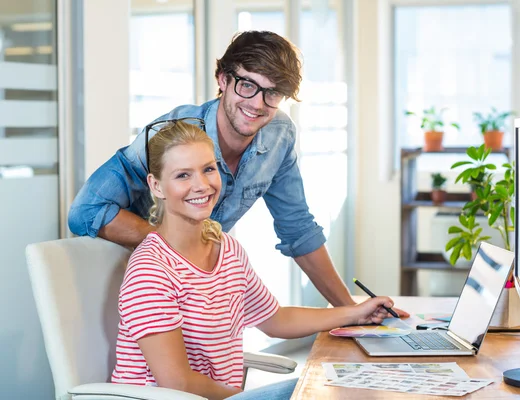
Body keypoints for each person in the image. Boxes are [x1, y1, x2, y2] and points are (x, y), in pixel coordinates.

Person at [68, 30, 408, 316]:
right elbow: (86, 211)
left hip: (203, 288)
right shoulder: (174, 135)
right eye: (247, 85)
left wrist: (351, 311)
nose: (258, 104)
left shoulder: (279, 135)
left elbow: (299, 230)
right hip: (145, 286)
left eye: (273, 92)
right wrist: (180, 246)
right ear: (223, 79)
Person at [111, 120, 396, 399]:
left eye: (208, 169)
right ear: (156, 186)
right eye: (183, 175)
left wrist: (357, 312)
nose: (201, 185)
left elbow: (275, 318)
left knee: (338, 385)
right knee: (320, 390)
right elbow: (178, 382)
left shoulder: (227, 249)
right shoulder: (151, 270)